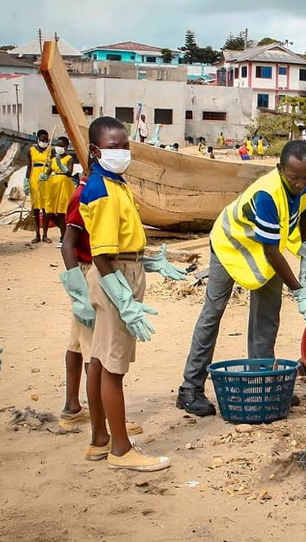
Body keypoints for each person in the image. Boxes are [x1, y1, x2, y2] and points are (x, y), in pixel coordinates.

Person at [177, 140, 306, 416]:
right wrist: (299, 291)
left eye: (305, 177)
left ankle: (263, 381)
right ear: (280, 169)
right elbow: (269, 251)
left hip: (265, 245)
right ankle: (190, 388)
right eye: (294, 178)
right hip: (231, 242)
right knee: (214, 311)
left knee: (267, 313)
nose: (300, 184)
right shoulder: (267, 193)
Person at [60, 171, 185, 426]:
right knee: (97, 357)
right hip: (94, 275)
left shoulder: (117, 188)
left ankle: (77, 409)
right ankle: (106, 424)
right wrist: (78, 293)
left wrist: (147, 263)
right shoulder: (90, 192)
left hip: (99, 271)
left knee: (83, 348)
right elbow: (70, 245)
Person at [80, 116, 170, 471]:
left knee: (101, 359)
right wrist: (123, 299)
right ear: (96, 150)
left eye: (125, 145)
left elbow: (122, 238)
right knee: (113, 367)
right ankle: (121, 450)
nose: (121, 152)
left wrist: (152, 264)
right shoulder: (101, 190)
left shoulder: (116, 183)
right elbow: (102, 254)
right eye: (113, 147)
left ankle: (100, 439)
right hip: (114, 274)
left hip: (125, 266)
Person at [43, 136, 77, 248]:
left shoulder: (69, 158)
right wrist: (43, 176)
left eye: (61, 145)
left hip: (64, 185)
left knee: (62, 213)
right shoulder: (53, 160)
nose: (59, 147)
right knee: (50, 212)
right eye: (58, 145)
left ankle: (63, 238)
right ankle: (64, 231)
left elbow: (69, 173)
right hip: (54, 186)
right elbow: (48, 172)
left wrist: (62, 166)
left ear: (66, 147)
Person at [24, 129, 52, 243]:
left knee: (46, 208)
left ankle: (45, 235)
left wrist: (47, 174)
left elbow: (53, 165)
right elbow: (29, 166)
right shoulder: (31, 150)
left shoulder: (51, 151)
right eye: (42, 139)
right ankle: (37, 235)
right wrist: (26, 180)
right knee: (35, 207)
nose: (44, 142)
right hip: (34, 179)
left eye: (46, 140)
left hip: (46, 180)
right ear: (38, 139)